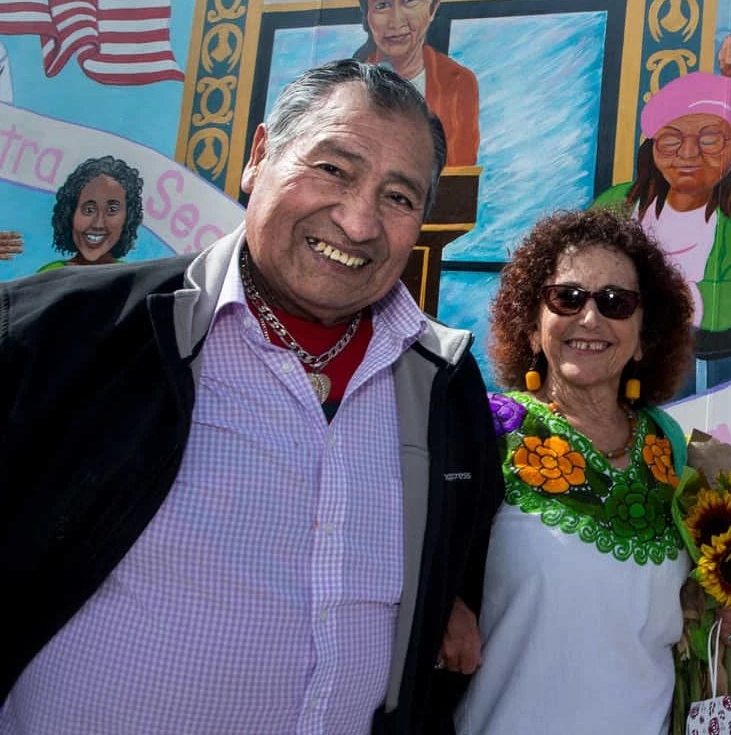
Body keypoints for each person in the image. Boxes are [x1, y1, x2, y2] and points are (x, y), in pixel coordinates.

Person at [0, 60, 502, 734]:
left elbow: (455, 560)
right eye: (333, 169)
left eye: (398, 197)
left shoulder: (443, 382)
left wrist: (446, 597)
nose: (358, 222)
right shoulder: (64, 335)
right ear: (259, 155)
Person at [455, 208, 731, 735]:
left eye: (617, 303)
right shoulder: (485, 435)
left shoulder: (677, 454)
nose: (590, 319)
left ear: (643, 338)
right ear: (532, 324)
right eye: (567, 298)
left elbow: (690, 612)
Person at [593, 72, 731, 389]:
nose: (688, 153)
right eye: (670, 139)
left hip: (702, 349)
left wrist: (650, 305)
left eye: (710, 139)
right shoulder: (619, 201)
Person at [354, 0, 481, 166]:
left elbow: (458, 176)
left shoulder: (458, 82)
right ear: (367, 13)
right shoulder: (346, 85)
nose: (396, 21)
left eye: (410, 0)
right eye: (382, 5)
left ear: (433, 6)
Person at [35, 155, 144, 271]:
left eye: (112, 210)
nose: (98, 224)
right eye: (89, 210)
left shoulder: (131, 277)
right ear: (70, 214)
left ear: (128, 219)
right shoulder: (49, 275)